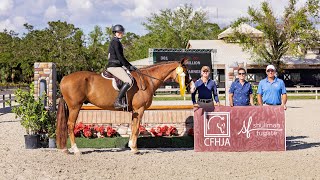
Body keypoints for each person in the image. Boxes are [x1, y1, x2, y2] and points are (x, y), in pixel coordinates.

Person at [106, 24, 137, 109]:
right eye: (118, 32)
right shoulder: (115, 42)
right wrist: (128, 66)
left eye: (121, 32)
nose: (120, 33)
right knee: (128, 81)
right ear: (115, 33)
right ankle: (118, 101)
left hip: (117, 65)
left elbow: (121, 57)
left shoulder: (116, 41)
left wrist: (130, 66)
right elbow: (120, 57)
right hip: (114, 66)